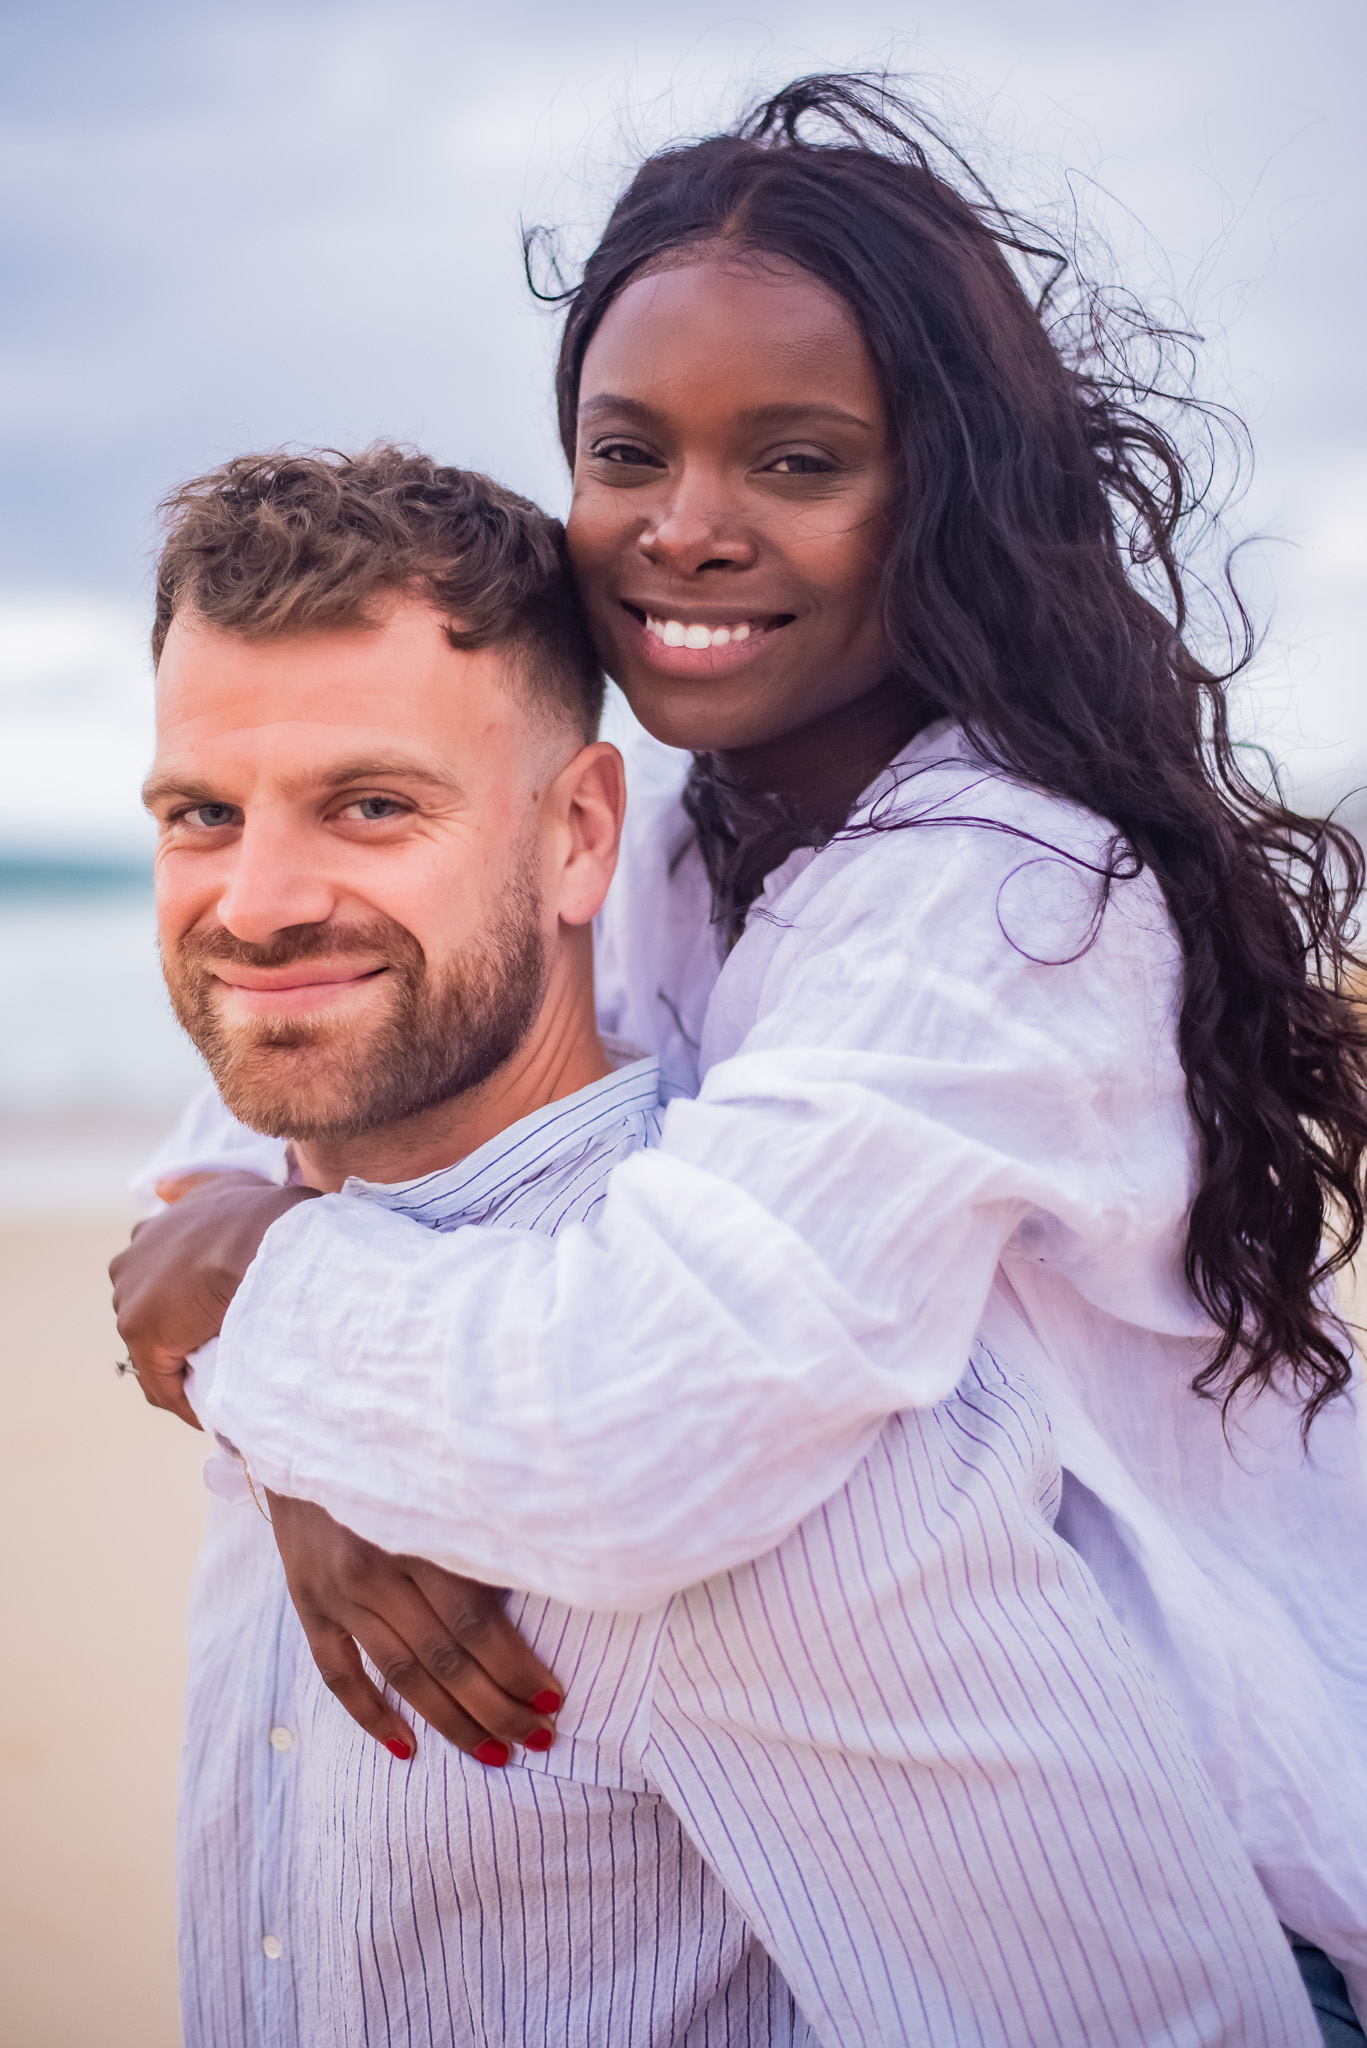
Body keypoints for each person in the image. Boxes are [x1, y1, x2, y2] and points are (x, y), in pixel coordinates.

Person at [114, 76, 1367, 2037]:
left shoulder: (1012, 896)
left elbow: (638, 1420)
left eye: (796, 460)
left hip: (1232, 1851)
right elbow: (284, 1102)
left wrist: (274, 1343)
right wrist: (295, 1422)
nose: (686, 529)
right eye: (630, 452)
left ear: (933, 491)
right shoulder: (697, 815)